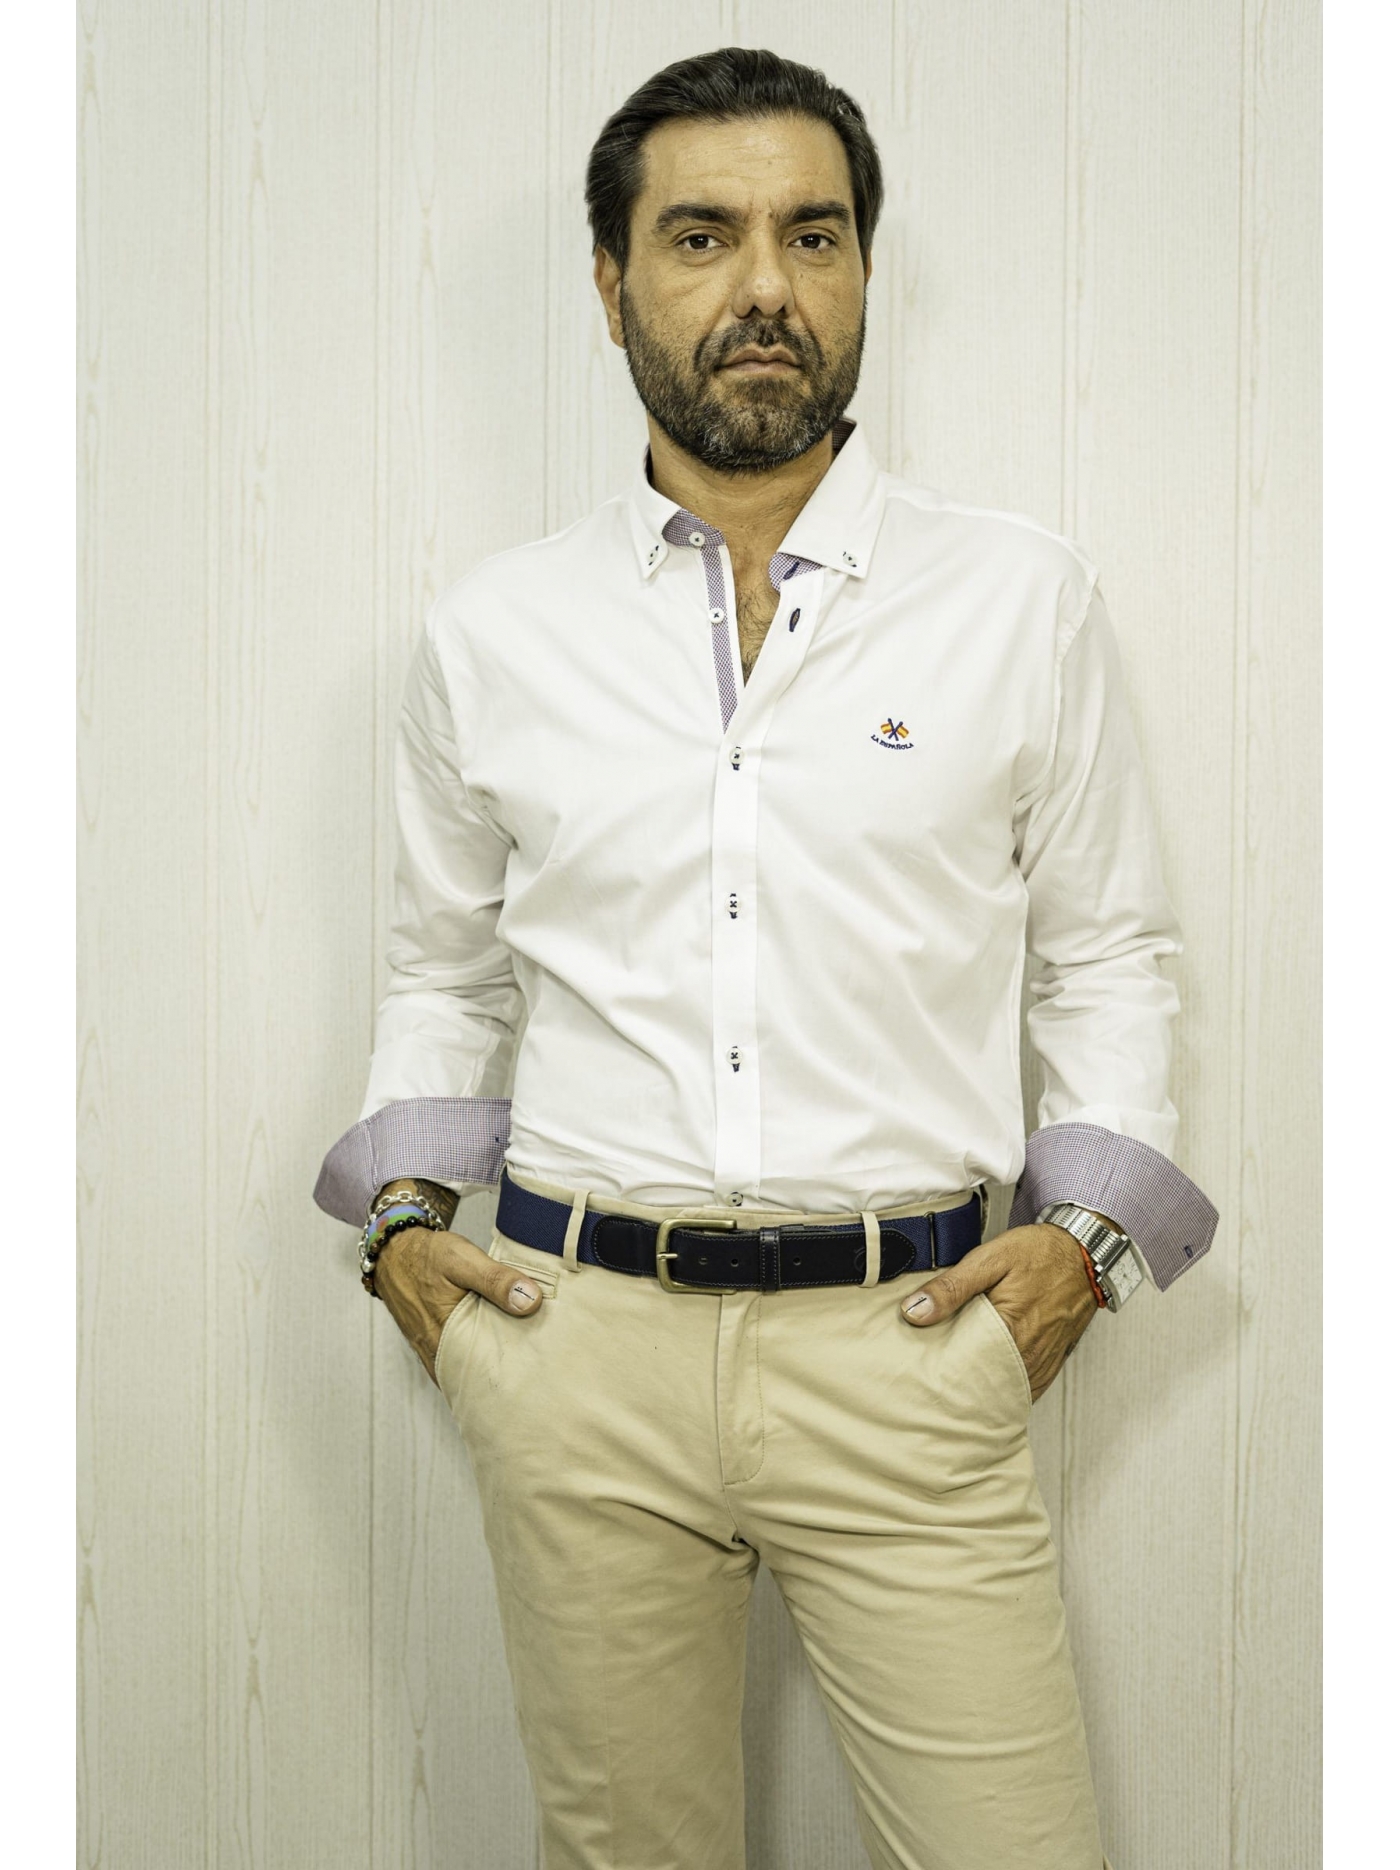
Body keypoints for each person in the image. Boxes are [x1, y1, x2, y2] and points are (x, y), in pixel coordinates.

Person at [315, 45, 1218, 1870]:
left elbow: (1109, 954)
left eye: (813, 235)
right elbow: (442, 971)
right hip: (576, 1350)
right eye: (700, 236)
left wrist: (1088, 1247)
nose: (764, 287)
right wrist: (401, 1226)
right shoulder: (495, 631)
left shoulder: (1017, 599)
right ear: (610, 284)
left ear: (865, 271)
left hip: (915, 1349)